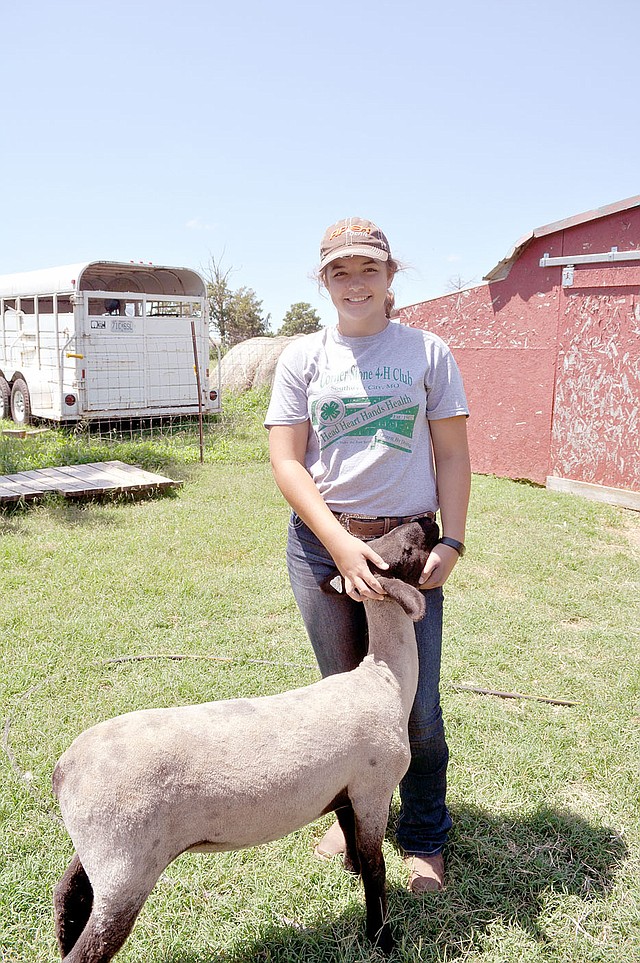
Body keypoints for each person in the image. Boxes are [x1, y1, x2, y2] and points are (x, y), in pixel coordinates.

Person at [265, 217, 470, 893]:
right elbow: (288, 462)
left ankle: (425, 835)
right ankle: (355, 819)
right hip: (324, 546)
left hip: (407, 547)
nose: (355, 283)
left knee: (417, 707)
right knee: (343, 698)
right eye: (339, 272)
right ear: (324, 281)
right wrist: (339, 546)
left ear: (390, 277)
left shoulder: (427, 352)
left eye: (368, 270)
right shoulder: (303, 358)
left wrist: (451, 538)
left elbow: (451, 452)